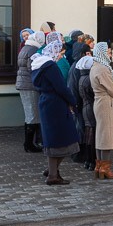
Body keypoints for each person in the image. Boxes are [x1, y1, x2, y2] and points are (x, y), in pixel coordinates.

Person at [30, 39, 80, 184]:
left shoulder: (38, 66)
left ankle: (52, 170)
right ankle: (53, 175)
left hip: (45, 102)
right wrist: (73, 101)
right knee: (62, 138)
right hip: (56, 104)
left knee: (53, 137)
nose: (60, 56)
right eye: (60, 53)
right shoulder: (50, 66)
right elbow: (61, 87)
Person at [90, 42, 113, 180]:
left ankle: (99, 166)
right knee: (106, 136)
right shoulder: (102, 69)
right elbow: (112, 88)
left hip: (100, 102)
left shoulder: (95, 66)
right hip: (106, 102)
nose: (110, 55)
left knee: (101, 134)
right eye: (108, 52)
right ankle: (104, 168)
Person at [17, 30, 44, 152]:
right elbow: (32, 68)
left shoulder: (25, 48)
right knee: (32, 115)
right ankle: (28, 145)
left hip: (24, 84)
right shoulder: (33, 50)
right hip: (29, 85)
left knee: (30, 114)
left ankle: (28, 144)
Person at [77, 53, 97, 170]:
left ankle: (88, 160)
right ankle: (92, 160)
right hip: (91, 107)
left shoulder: (81, 78)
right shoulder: (89, 79)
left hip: (85, 107)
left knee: (88, 134)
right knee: (92, 135)